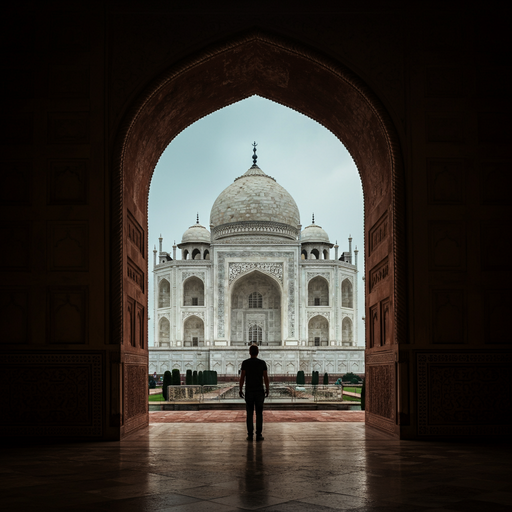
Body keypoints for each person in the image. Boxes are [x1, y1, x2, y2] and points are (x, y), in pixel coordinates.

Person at [239, 344, 269, 441]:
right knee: (259, 413)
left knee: (249, 413)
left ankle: (250, 435)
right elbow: (265, 377)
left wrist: (240, 389)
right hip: (259, 392)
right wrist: (267, 389)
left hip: (249, 391)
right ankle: (259, 434)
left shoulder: (245, 363)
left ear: (249, 352)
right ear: (258, 352)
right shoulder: (262, 363)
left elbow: (242, 377)